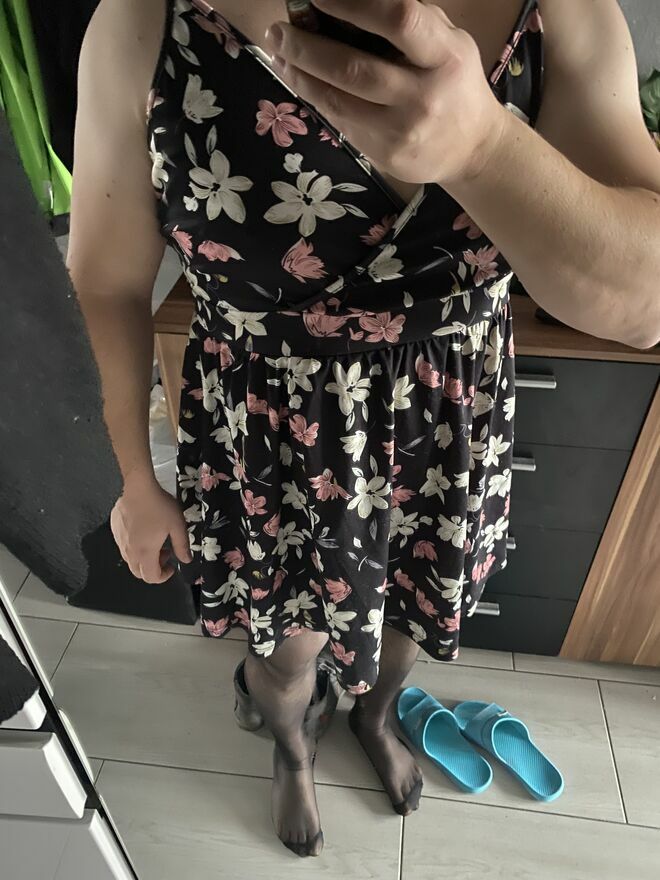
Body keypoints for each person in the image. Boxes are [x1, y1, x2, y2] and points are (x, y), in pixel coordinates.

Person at [67, 0, 660, 859]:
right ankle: (291, 743)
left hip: (445, 438)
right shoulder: (145, 20)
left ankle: (376, 716)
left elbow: (645, 307)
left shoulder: (558, 12)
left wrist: (485, 148)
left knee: (410, 624)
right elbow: (105, 282)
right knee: (288, 651)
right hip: (273, 452)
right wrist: (130, 474)